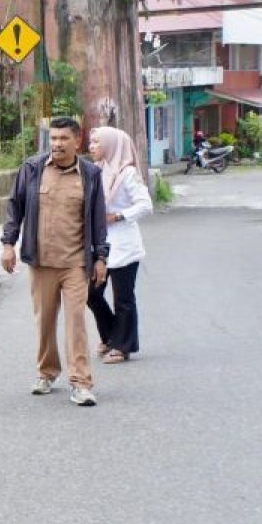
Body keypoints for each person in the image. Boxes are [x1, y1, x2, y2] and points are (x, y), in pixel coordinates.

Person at [0, 117, 109, 407]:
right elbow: (16, 208)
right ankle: (47, 373)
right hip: (41, 262)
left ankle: (81, 383)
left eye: (64, 139)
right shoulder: (33, 168)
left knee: (76, 322)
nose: (57, 144)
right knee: (45, 322)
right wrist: (8, 244)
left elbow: (98, 219)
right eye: (54, 138)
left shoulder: (90, 174)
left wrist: (101, 257)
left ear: (77, 141)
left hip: (76, 263)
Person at [87, 127, 153, 363]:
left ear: (111, 144)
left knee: (123, 298)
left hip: (124, 245)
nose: (91, 146)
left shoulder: (128, 173)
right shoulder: (98, 170)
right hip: (101, 245)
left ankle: (122, 346)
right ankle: (111, 336)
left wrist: (117, 216)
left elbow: (146, 205)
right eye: (91, 142)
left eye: (96, 142)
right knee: (91, 294)